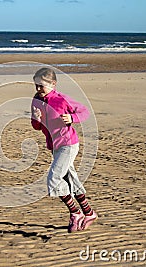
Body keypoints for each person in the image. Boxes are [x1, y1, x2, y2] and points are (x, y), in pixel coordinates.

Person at [31, 67, 97, 233]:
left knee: (53, 179)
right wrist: (36, 119)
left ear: (53, 84)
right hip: (55, 146)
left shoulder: (61, 99)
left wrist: (72, 118)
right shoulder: (36, 100)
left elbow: (84, 111)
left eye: (41, 86)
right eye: (36, 85)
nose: (38, 89)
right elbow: (36, 127)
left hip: (68, 144)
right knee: (71, 179)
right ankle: (88, 213)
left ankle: (75, 213)